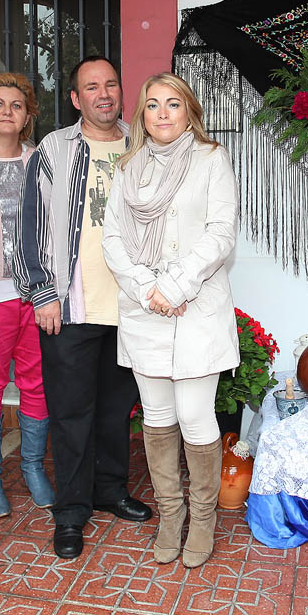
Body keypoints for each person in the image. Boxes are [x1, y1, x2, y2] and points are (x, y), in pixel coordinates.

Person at [13, 55, 152, 560]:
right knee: (72, 413)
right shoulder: (53, 149)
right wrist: (42, 292)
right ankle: (71, 510)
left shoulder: (146, 144)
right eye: (91, 87)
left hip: (134, 308)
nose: (103, 94)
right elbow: (27, 227)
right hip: (71, 306)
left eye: (111, 84)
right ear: (75, 99)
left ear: (121, 90)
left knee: (116, 409)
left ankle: (110, 490)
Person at [102, 73, 240, 568]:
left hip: (196, 304)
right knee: (157, 416)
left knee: (197, 416)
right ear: (142, 114)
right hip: (145, 309)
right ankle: (170, 516)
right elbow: (113, 239)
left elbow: (221, 234)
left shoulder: (211, 160)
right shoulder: (129, 167)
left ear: (189, 112)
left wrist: (176, 285)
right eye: (153, 104)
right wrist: (146, 289)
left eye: (173, 104)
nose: (163, 113)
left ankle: (203, 520)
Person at [0, 73, 54, 517]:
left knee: (38, 384)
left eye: (16, 105)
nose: (6, 111)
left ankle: (33, 468)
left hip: (37, 293)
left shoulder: (41, 161)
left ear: (27, 117)